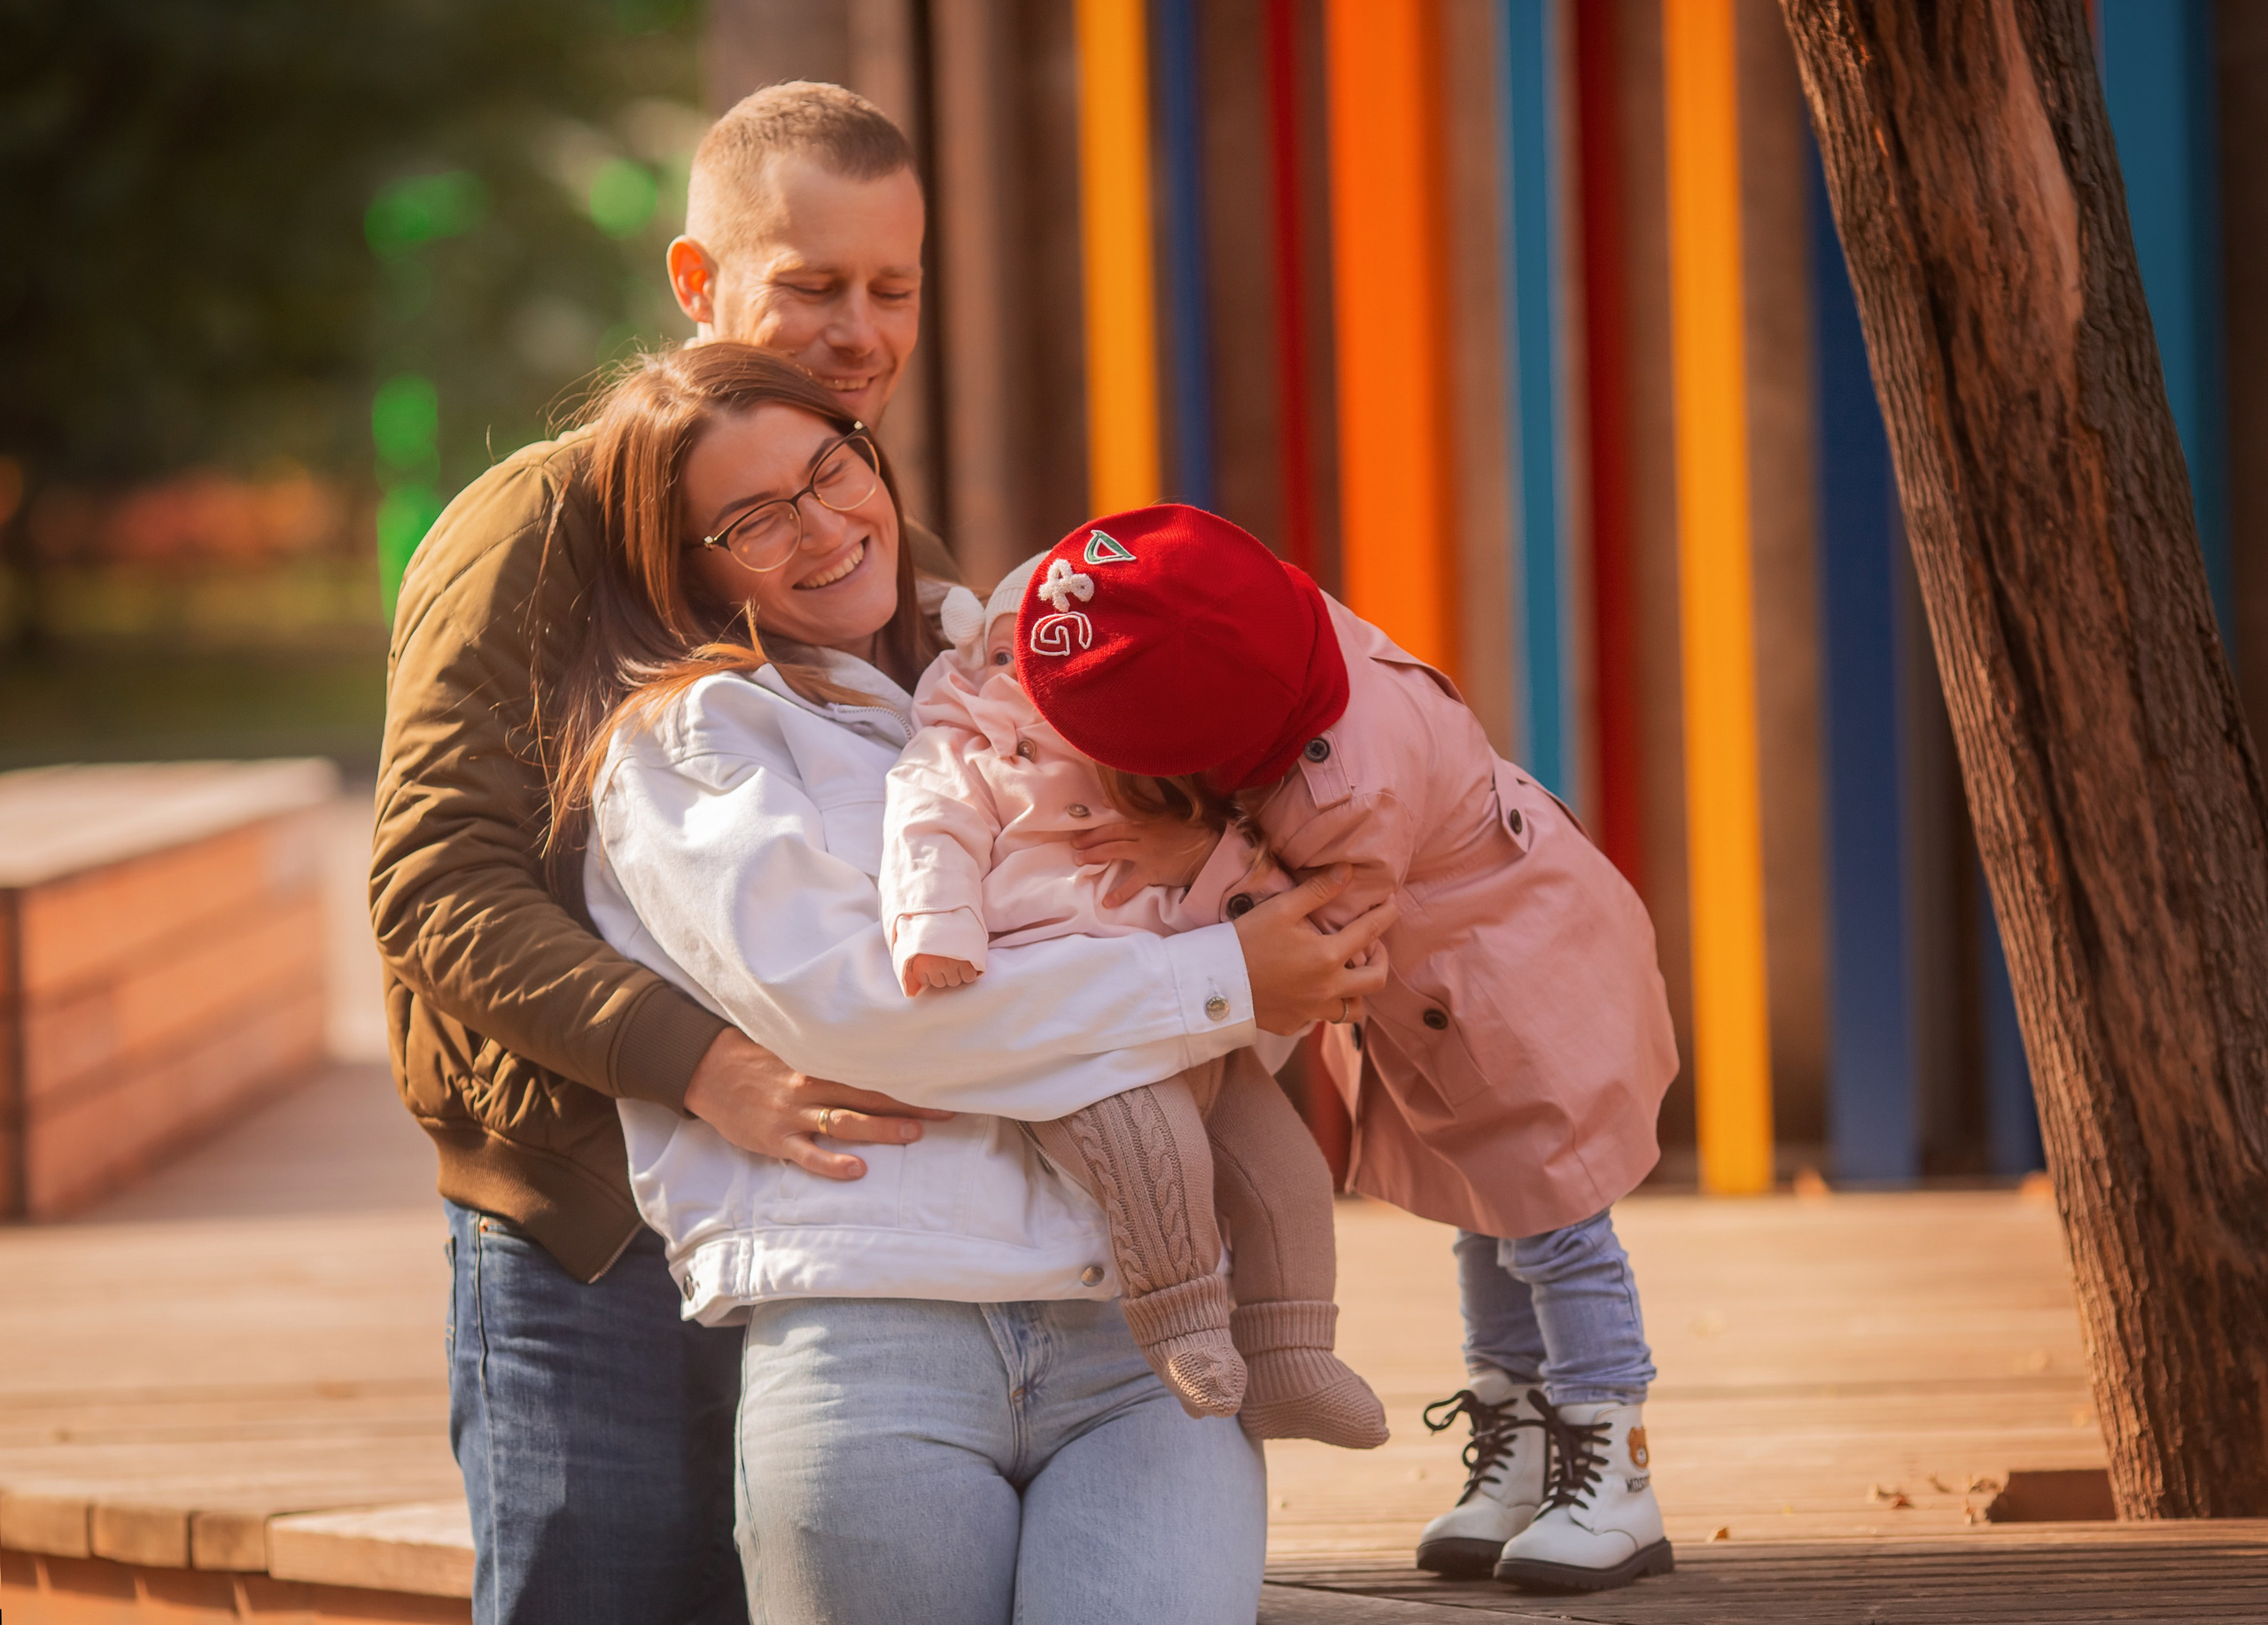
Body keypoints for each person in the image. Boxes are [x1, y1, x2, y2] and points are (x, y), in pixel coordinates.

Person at [548, 341, 1393, 1622]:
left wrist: (1244, 917)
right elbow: (876, 1017)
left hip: (1150, 1335)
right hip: (875, 1337)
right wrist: (1223, 975)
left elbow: (1213, 1006)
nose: (824, 525)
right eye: (755, 518)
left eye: (831, 468)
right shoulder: (695, 744)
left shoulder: (1036, 659)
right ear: (688, 568)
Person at [370, 83, 950, 1625]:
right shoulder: (533, 525)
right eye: (813, 284)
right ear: (698, 284)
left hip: (839, 1234)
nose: (861, 331)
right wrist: (710, 1063)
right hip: (591, 1231)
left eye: (893, 287)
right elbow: (434, 881)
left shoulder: (881, 542)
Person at [1008, 504, 1682, 1596]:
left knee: (1556, 1226)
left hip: (1512, 991)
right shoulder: (1276, 634)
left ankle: (1614, 1462)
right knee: (1483, 1216)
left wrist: (1196, 855)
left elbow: (1329, 933)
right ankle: (1516, 1445)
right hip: (1452, 994)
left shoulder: (1341, 791)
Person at [878, 556, 1386, 1447]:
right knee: (1155, 1155)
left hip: (1192, 995)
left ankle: (1294, 1352)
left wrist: (1213, 864)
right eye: (1001, 655)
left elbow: (1232, 838)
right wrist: (937, 926)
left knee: (1285, 1169)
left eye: (1041, 659)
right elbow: (930, 828)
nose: (1016, 678)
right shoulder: (968, 745)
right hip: (1077, 1015)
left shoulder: (1142, 745)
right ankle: (1186, 1329)